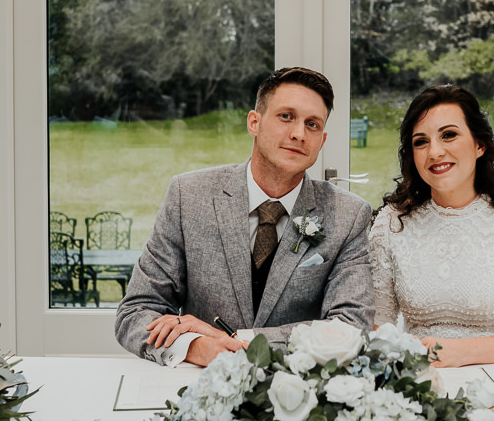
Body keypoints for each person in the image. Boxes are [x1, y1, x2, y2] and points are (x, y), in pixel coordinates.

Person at [115, 66, 375, 367]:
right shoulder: (189, 195)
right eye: (286, 116)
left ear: (322, 140)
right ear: (255, 122)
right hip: (202, 387)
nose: (298, 133)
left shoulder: (349, 215)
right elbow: (136, 311)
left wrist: (242, 341)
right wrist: (199, 348)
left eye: (313, 124)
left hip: (299, 391)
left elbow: (351, 326)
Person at [368, 85, 494, 366]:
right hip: (421, 382)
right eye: (420, 141)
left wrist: (459, 353)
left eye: (449, 135)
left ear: (480, 145)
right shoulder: (391, 224)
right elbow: (378, 327)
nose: (435, 152)